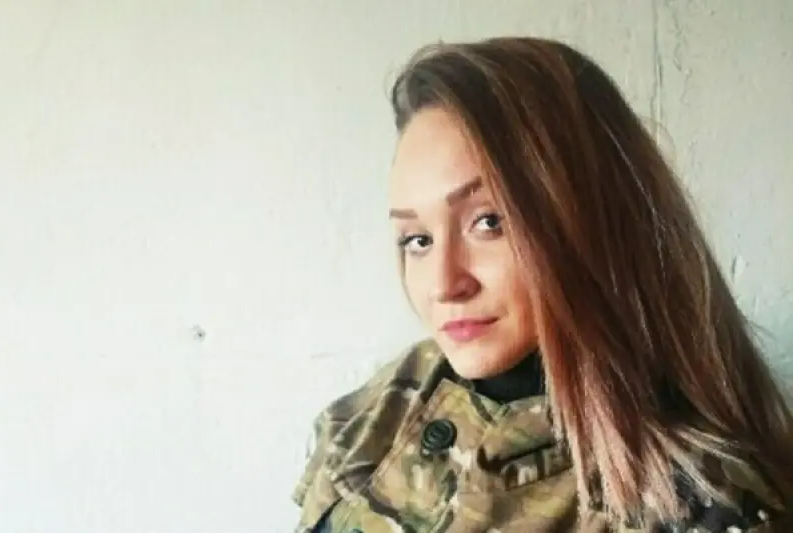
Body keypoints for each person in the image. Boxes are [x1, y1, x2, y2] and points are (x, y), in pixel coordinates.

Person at [290, 36, 793, 533]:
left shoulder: (695, 506)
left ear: (592, 217)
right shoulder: (381, 409)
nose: (444, 284)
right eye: (418, 239)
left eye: (489, 222)